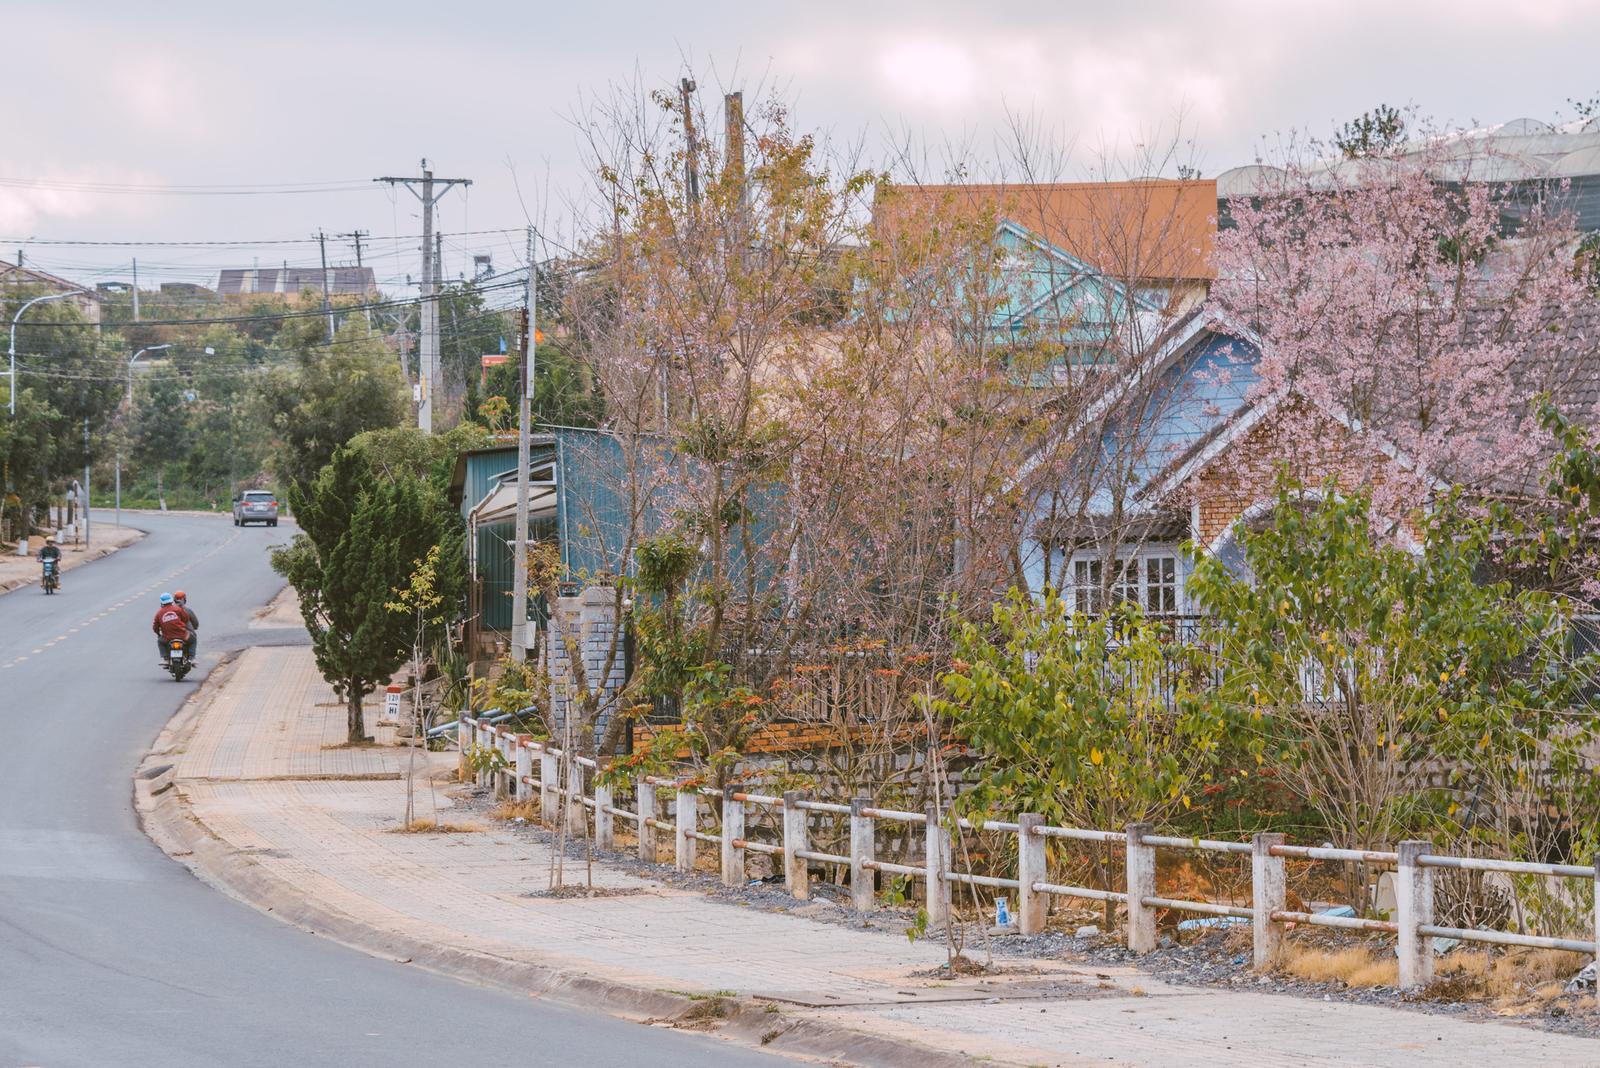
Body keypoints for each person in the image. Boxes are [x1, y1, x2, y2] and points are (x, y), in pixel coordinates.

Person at [152, 593, 190, 664]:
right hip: (182, 635)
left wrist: (158, 634)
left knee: (160, 641)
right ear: (172, 600)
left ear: (161, 602)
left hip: (167, 637)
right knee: (192, 640)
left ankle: (166, 659)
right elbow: (186, 618)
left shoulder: (159, 613)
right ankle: (192, 657)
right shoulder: (178, 609)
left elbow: (155, 627)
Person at [174, 590, 199, 660]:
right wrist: (194, 627)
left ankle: (166, 658)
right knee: (193, 639)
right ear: (184, 599)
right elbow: (195, 623)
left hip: (171, 634)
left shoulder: (170, 610)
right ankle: (192, 658)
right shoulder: (187, 610)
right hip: (184, 634)